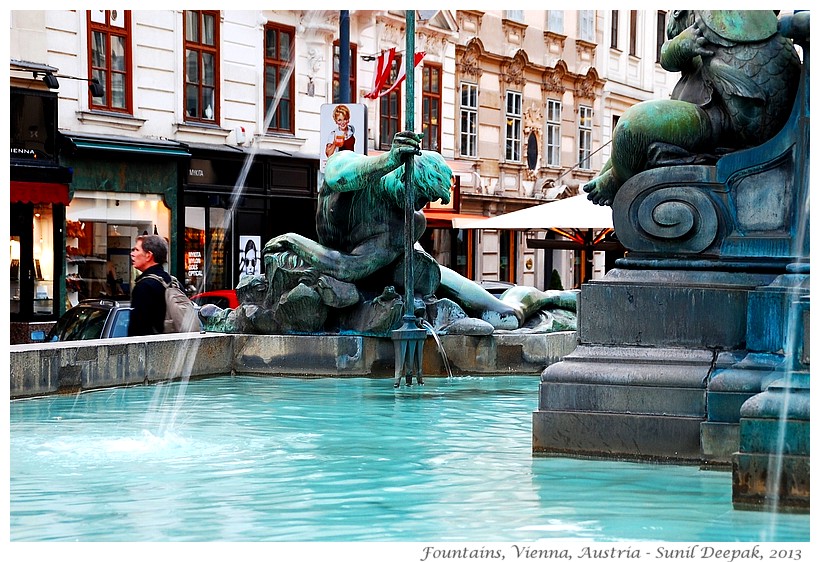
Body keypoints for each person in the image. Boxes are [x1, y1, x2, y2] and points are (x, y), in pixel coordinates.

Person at [128, 234, 171, 336]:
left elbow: (138, 329)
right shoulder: (173, 282)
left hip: (152, 349)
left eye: (136, 250)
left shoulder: (144, 287)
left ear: (148, 255)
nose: (132, 254)